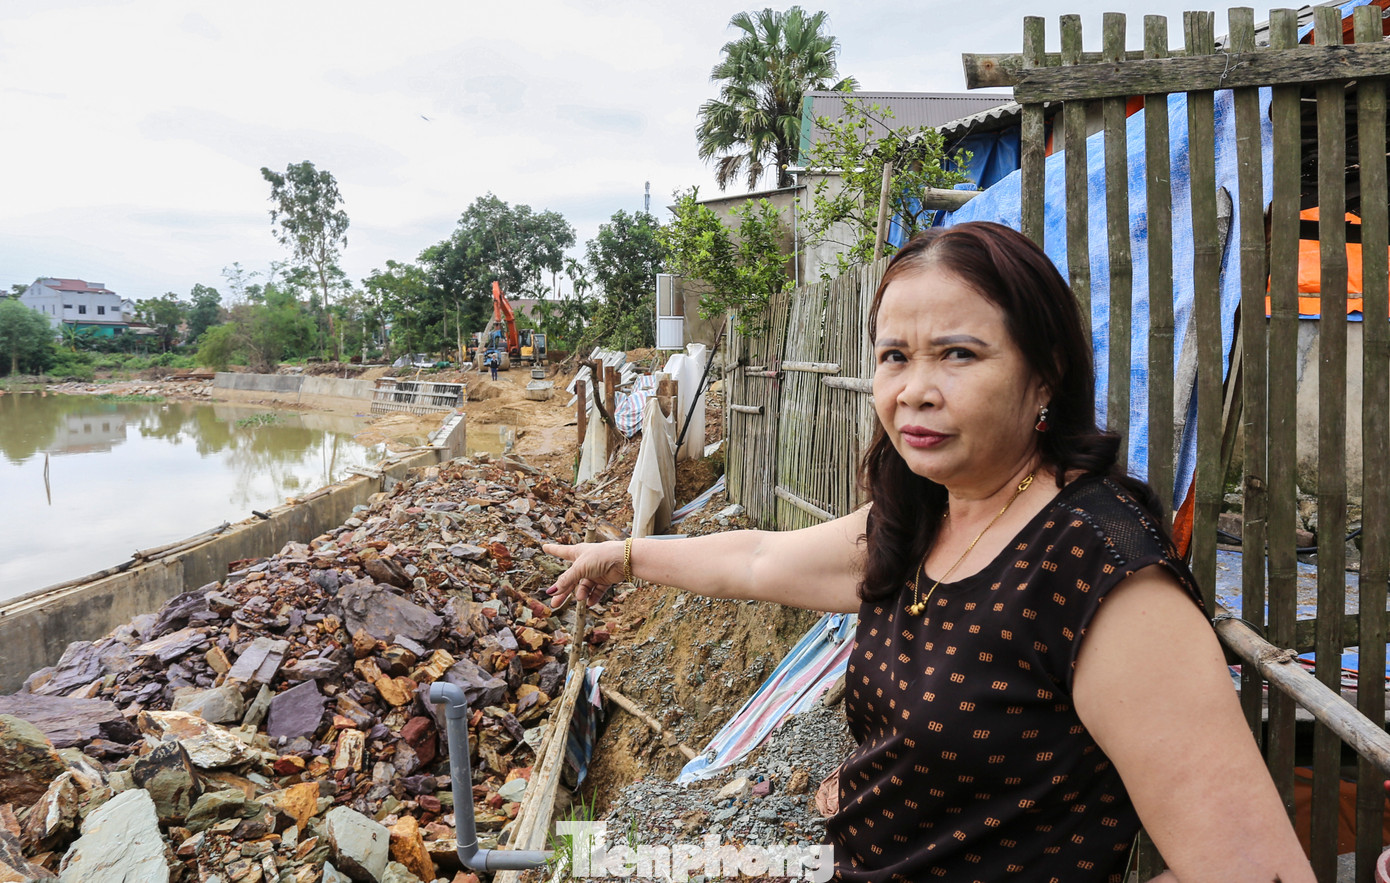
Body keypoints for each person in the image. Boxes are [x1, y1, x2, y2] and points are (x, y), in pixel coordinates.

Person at [542, 222, 1313, 883]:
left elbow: (1251, 867)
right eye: (894, 356)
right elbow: (758, 560)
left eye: (958, 354)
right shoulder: (932, 514)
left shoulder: (1100, 570)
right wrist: (626, 555)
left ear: (1045, 374)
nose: (914, 389)